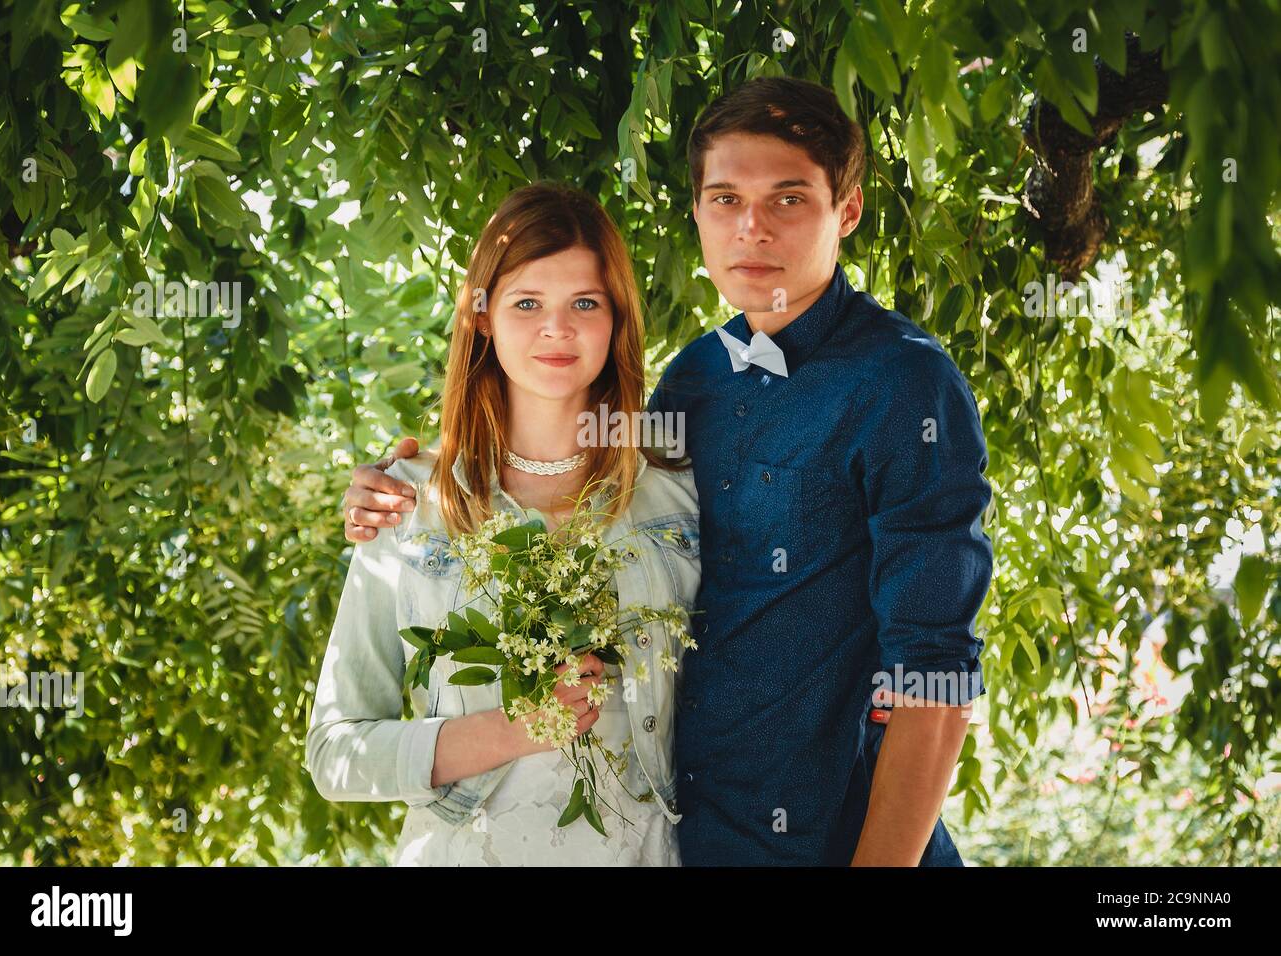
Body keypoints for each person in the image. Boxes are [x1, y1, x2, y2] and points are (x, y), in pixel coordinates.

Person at [343, 77, 994, 866]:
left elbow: (937, 679)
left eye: (787, 200)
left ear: (846, 210)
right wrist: (411, 478)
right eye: (725, 199)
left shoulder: (905, 384)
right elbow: (558, 449)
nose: (751, 228)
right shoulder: (693, 380)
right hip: (691, 843)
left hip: (840, 842)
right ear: (697, 214)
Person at [307, 182, 700, 865]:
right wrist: (515, 727)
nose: (558, 329)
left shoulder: (679, 495)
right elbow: (334, 754)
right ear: (483, 318)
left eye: (585, 302)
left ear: (617, 319)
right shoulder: (407, 504)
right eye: (527, 304)